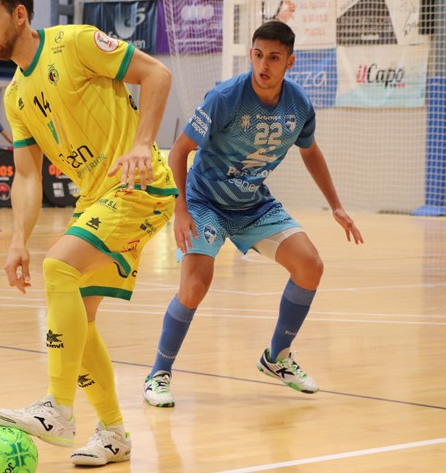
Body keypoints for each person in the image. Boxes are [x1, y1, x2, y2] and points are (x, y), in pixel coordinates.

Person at [0, 0, 177, 467]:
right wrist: (18, 239)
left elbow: (157, 75)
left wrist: (143, 143)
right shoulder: (16, 96)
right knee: (78, 320)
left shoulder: (76, 43)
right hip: (97, 198)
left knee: (59, 267)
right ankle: (114, 433)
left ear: (21, 15)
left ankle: (58, 407)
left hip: (138, 186)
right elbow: (26, 176)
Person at [141, 21, 364, 408]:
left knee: (310, 266)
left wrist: (336, 205)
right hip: (204, 201)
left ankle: (276, 358)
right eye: (258, 55)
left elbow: (310, 152)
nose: (264, 65)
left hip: (252, 203)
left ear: (289, 62)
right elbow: (178, 151)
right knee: (194, 287)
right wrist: (180, 210)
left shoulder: (299, 105)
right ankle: (159, 373)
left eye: (274, 58)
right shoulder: (225, 97)